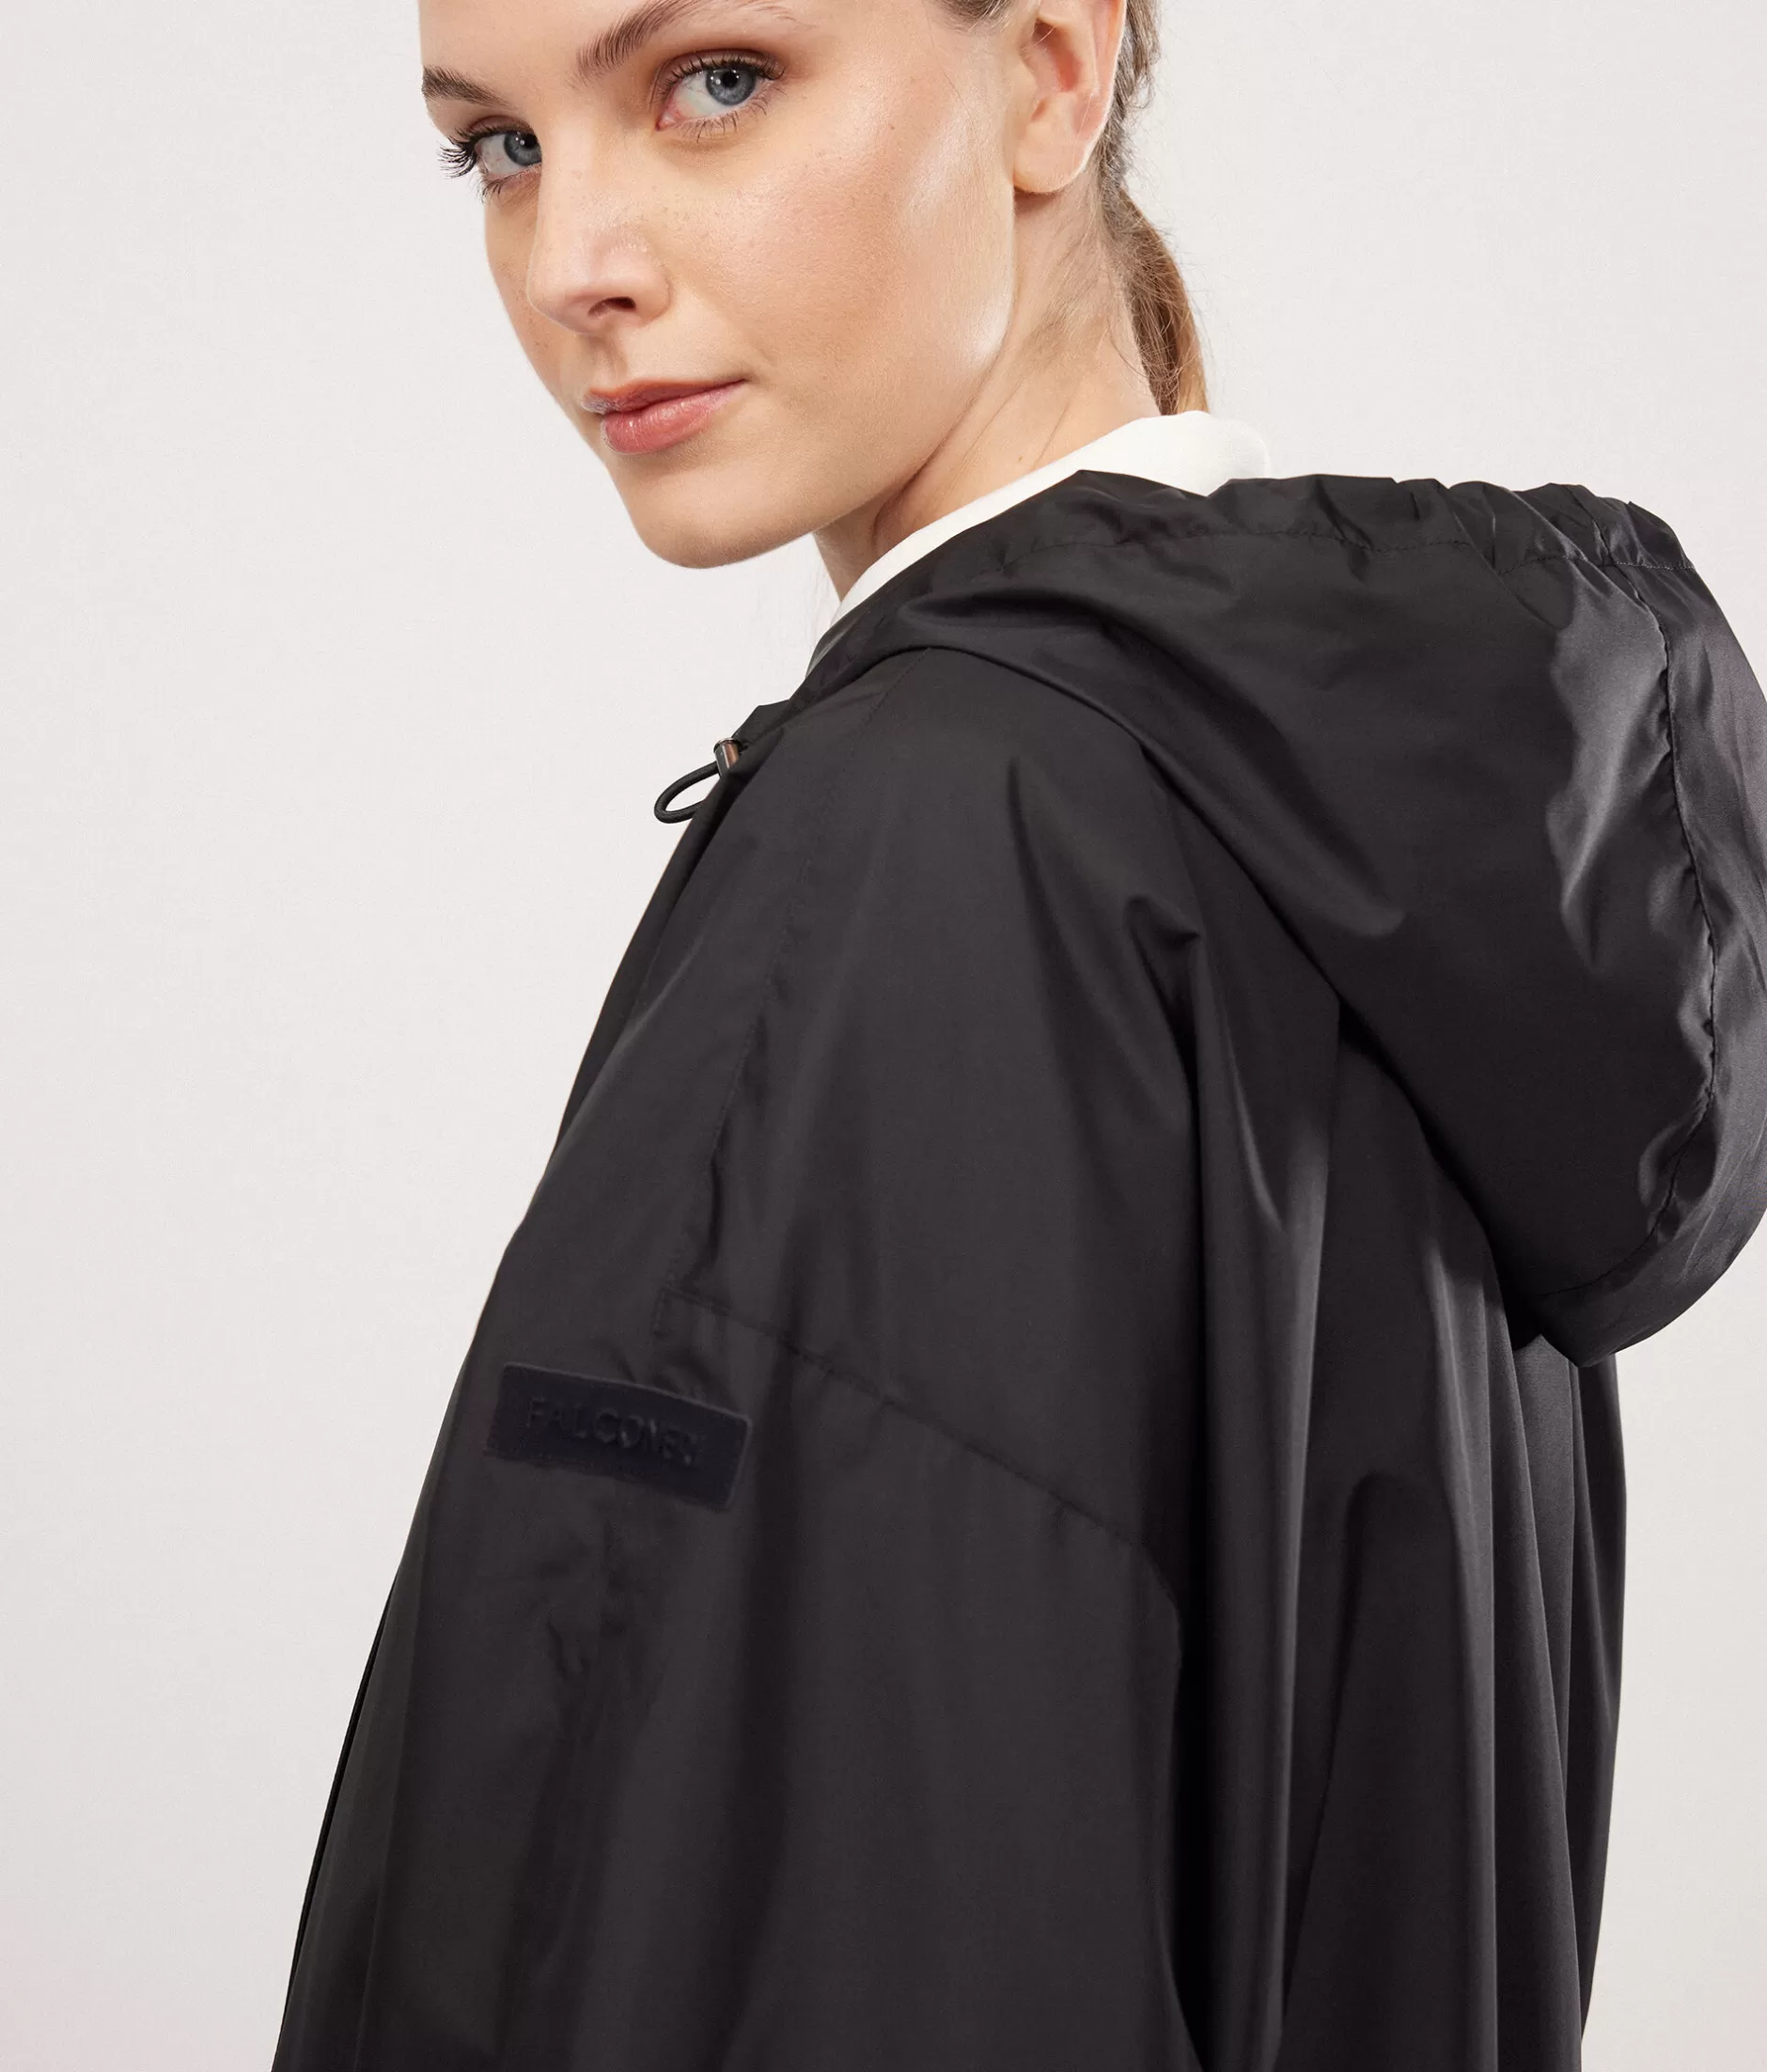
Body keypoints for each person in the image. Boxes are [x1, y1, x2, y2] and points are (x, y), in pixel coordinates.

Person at [271, 2, 1767, 2066]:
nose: (571, 263)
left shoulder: (947, 829)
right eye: (499, 149)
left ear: (1053, 66)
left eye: (715, 81)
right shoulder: (1352, 847)